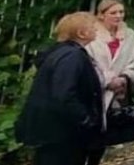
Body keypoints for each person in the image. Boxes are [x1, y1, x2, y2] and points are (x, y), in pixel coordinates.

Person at [16, 12, 104, 165]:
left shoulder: (60, 52)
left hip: (53, 130)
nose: (96, 30)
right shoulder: (72, 56)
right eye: (92, 27)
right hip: (62, 133)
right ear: (81, 33)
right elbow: (64, 94)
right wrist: (86, 119)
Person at [86, 0, 134, 164]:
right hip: (94, 92)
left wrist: (125, 77)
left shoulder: (130, 35)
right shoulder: (92, 35)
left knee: (104, 138)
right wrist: (107, 80)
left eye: (121, 12)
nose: (118, 16)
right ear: (101, 15)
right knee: (88, 135)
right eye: (113, 12)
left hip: (117, 93)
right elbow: (87, 62)